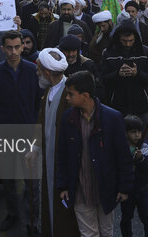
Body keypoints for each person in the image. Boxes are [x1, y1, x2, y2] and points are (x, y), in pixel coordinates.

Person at [56, 71, 134, 237]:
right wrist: (62, 185)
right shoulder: (67, 119)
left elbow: (123, 156)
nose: (67, 98)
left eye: (70, 94)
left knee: (106, 232)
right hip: (80, 191)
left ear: (85, 96)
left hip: (105, 190)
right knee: (88, 234)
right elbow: (62, 155)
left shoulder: (112, 118)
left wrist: (124, 187)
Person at [0, 30, 40, 232]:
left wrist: (36, 131)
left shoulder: (33, 71)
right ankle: (13, 213)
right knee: (9, 181)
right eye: (9, 48)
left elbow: (38, 104)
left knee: (32, 182)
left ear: (23, 47)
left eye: (18, 47)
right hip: (5, 137)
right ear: (2, 49)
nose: (14, 52)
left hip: (29, 136)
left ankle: (32, 220)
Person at [25, 48, 80, 237]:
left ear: (47, 73)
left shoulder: (69, 94)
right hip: (48, 160)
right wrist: (34, 148)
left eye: (39, 68)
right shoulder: (48, 89)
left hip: (63, 163)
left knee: (63, 208)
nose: (36, 71)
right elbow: (42, 121)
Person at [100, 20, 148, 134]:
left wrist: (137, 74)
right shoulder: (108, 53)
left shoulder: (146, 52)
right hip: (117, 106)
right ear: (118, 38)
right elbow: (103, 78)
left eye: (131, 41)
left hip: (141, 106)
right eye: (124, 41)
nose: (127, 44)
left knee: (143, 142)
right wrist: (117, 74)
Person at [120, 115, 148, 237]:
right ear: (125, 133)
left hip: (142, 189)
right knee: (126, 217)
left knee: (147, 216)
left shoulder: (144, 147)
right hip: (127, 190)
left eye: (139, 132)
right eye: (133, 132)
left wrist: (141, 159)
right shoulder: (122, 148)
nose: (137, 135)